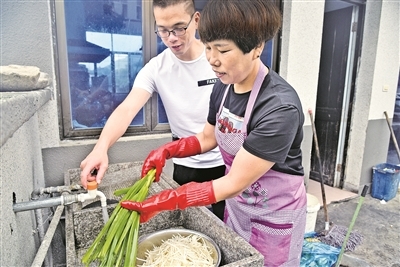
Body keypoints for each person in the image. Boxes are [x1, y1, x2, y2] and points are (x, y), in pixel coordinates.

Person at [120, 0, 307, 266]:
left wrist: (167, 201)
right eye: (208, 47)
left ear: (256, 48)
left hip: (274, 216)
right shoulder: (224, 86)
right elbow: (208, 138)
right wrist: (168, 150)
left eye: (223, 49)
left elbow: (232, 182)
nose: (212, 59)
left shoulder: (278, 108)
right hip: (239, 207)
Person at [80, 0, 226, 220]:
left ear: (196, 20)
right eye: (163, 30)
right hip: (184, 164)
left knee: (227, 230)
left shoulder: (217, 60)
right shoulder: (156, 68)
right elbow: (127, 109)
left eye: (179, 28)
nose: (172, 38)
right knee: (191, 226)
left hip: (225, 161)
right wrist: (101, 148)